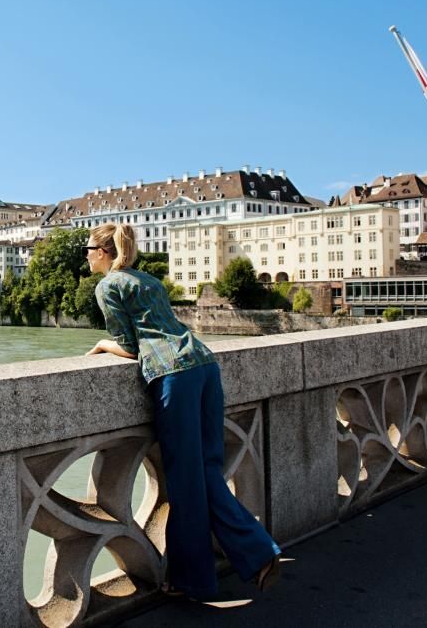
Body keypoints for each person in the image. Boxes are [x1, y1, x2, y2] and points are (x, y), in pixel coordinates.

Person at [84, 222, 281, 599]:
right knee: (206, 469)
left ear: (104, 252)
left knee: (186, 481)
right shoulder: (147, 280)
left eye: (89, 249)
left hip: (173, 375)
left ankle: (210, 573)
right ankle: (244, 557)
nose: (87, 256)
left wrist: (103, 345)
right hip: (204, 364)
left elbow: (131, 346)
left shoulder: (109, 285)